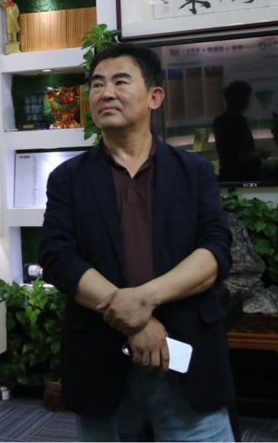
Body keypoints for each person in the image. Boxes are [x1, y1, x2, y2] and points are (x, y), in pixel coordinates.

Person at [39, 43, 234, 442]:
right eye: (97, 84)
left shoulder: (194, 171)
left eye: (120, 82)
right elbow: (58, 257)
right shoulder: (68, 179)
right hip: (101, 363)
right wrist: (137, 321)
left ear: (154, 97)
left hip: (187, 360)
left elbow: (215, 251)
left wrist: (143, 301)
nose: (105, 93)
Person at [212, 80, 263, 182]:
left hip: (227, 176)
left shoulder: (218, 122)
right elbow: (244, 156)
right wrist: (260, 153)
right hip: (244, 177)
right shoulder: (239, 123)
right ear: (245, 101)